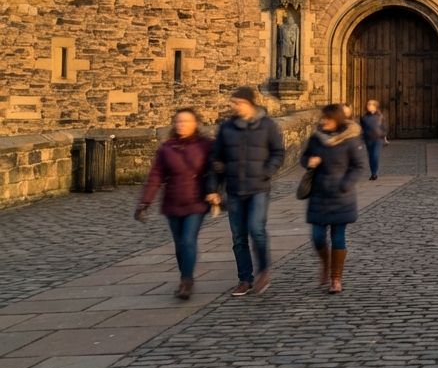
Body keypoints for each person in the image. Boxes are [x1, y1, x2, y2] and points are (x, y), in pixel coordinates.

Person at [208, 86, 285, 296]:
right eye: (233, 102)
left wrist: (266, 171)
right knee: (238, 237)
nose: (233, 106)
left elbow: (278, 152)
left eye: (237, 102)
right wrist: (213, 189)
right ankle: (245, 279)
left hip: (258, 187)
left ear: (249, 103)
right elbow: (215, 159)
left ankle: (264, 270)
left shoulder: (267, 125)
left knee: (256, 229)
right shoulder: (226, 129)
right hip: (234, 189)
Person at [136, 109, 213, 300]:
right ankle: (184, 275)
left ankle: (186, 281)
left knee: (188, 240)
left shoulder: (206, 145)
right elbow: (156, 176)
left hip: (196, 200)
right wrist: (145, 201)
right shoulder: (166, 148)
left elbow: (215, 170)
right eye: (178, 121)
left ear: (196, 123)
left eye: (186, 121)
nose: (182, 125)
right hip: (172, 201)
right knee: (180, 245)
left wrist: (215, 191)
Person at [302, 103, 368, 294]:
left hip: (341, 196)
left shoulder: (351, 139)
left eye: (328, 118)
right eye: (323, 118)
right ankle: (325, 264)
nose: (324, 121)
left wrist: (345, 184)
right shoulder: (316, 138)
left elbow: (359, 166)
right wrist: (309, 162)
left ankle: (336, 279)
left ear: (337, 120)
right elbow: (304, 156)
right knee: (317, 237)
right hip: (319, 193)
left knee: (338, 237)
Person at [359, 100, 386, 180]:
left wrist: (383, 134)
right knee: (370, 156)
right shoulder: (364, 117)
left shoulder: (380, 116)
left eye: (371, 105)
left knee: (375, 155)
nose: (369, 107)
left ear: (375, 107)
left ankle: (374, 173)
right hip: (368, 138)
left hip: (378, 138)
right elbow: (362, 127)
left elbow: (384, 127)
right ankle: (372, 172)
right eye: (368, 105)